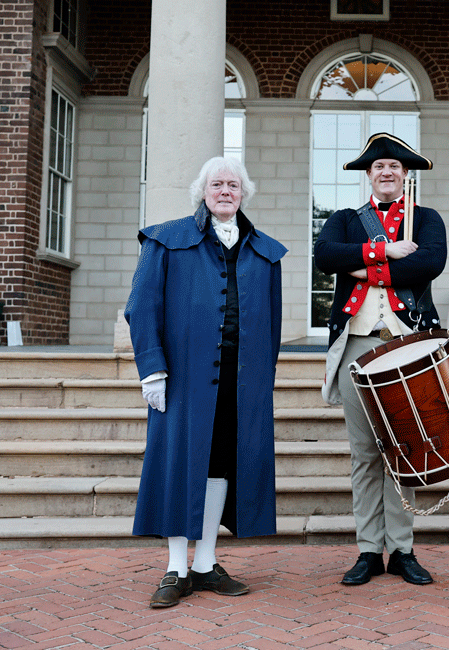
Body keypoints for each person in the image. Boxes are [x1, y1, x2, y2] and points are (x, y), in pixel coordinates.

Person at [124, 156, 287, 608]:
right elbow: (141, 307)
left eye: (233, 185)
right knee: (180, 465)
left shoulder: (265, 251)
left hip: (241, 381)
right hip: (182, 379)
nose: (225, 191)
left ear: (243, 193)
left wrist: (263, 382)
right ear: (202, 191)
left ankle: (205, 563)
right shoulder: (165, 239)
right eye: (217, 184)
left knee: (220, 465)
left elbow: (272, 325)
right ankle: (176, 568)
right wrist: (152, 369)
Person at [313, 133, 447, 586]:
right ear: (369, 176)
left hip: (408, 344)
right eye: (378, 167)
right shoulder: (345, 219)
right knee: (365, 452)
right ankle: (369, 549)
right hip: (357, 342)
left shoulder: (425, 218)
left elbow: (429, 263)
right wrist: (385, 250)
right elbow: (325, 255)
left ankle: (403, 549)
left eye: (393, 166)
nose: (386, 172)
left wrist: (359, 269)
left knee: (405, 447)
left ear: (405, 175)